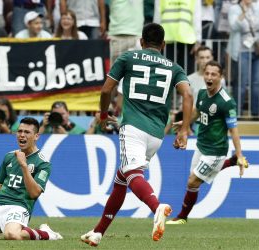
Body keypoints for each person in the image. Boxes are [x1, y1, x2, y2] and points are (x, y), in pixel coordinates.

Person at [80, 23, 193, 246]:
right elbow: (188, 95)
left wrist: (103, 115)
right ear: (163, 45)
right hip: (157, 134)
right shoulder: (174, 67)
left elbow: (105, 90)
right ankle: (98, 232)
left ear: (141, 41)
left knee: (131, 173)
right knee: (122, 179)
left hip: (133, 128)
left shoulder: (128, 57)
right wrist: (184, 129)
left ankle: (156, 207)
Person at [166, 61, 249, 225]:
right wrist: (186, 123)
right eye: (207, 73)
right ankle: (230, 162)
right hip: (201, 145)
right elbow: (197, 112)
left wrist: (239, 154)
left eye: (214, 74)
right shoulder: (203, 93)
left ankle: (182, 217)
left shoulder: (226, 102)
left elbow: (234, 130)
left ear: (221, 77)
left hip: (215, 151)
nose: (209, 77)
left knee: (192, 181)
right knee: (194, 183)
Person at [228, 0, 259, 116]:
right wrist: (243, 13)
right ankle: (237, 112)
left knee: (256, 82)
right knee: (241, 82)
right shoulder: (234, 9)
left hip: (257, 49)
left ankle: (256, 112)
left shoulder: (257, 7)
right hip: (241, 50)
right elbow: (233, 27)